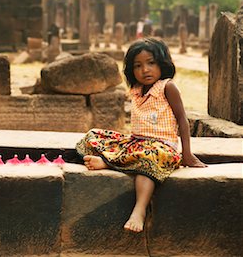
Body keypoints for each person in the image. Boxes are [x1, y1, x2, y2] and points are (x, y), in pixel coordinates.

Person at [75, 37, 207, 233]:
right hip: (135, 144)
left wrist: (186, 154)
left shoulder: (167, 87)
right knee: (93, 136)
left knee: (147, 158)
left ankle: (139, 209)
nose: (145, 70)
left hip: (160, 148)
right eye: (138, 65)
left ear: (162, 63)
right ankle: (113, 161)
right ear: (131, 70)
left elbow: (182, 120)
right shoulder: (136, 90)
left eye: (151, 63)